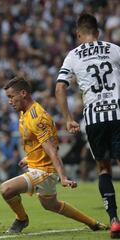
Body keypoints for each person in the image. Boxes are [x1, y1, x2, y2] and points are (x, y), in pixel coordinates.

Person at [1, 77, 107, 234]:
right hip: (37, 166)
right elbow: (41, 143)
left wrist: (63, 177)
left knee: (6, 189)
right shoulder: (25, 113)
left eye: (11, 96)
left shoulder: (37, 118)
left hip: (44, 171)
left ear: (23, 93)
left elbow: (52, 149)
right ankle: (93, 223)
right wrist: (28, 158)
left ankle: (22, 219)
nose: (9, 101)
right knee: (51, 205)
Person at [55, 13, 120, 238]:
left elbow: (60, 88)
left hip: (94, 119)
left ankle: (114, 220)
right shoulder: (114, 49)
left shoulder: (72, 56)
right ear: (98, 32)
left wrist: (68, 118)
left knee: (103, 169)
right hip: (118, 113)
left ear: (78, 33)